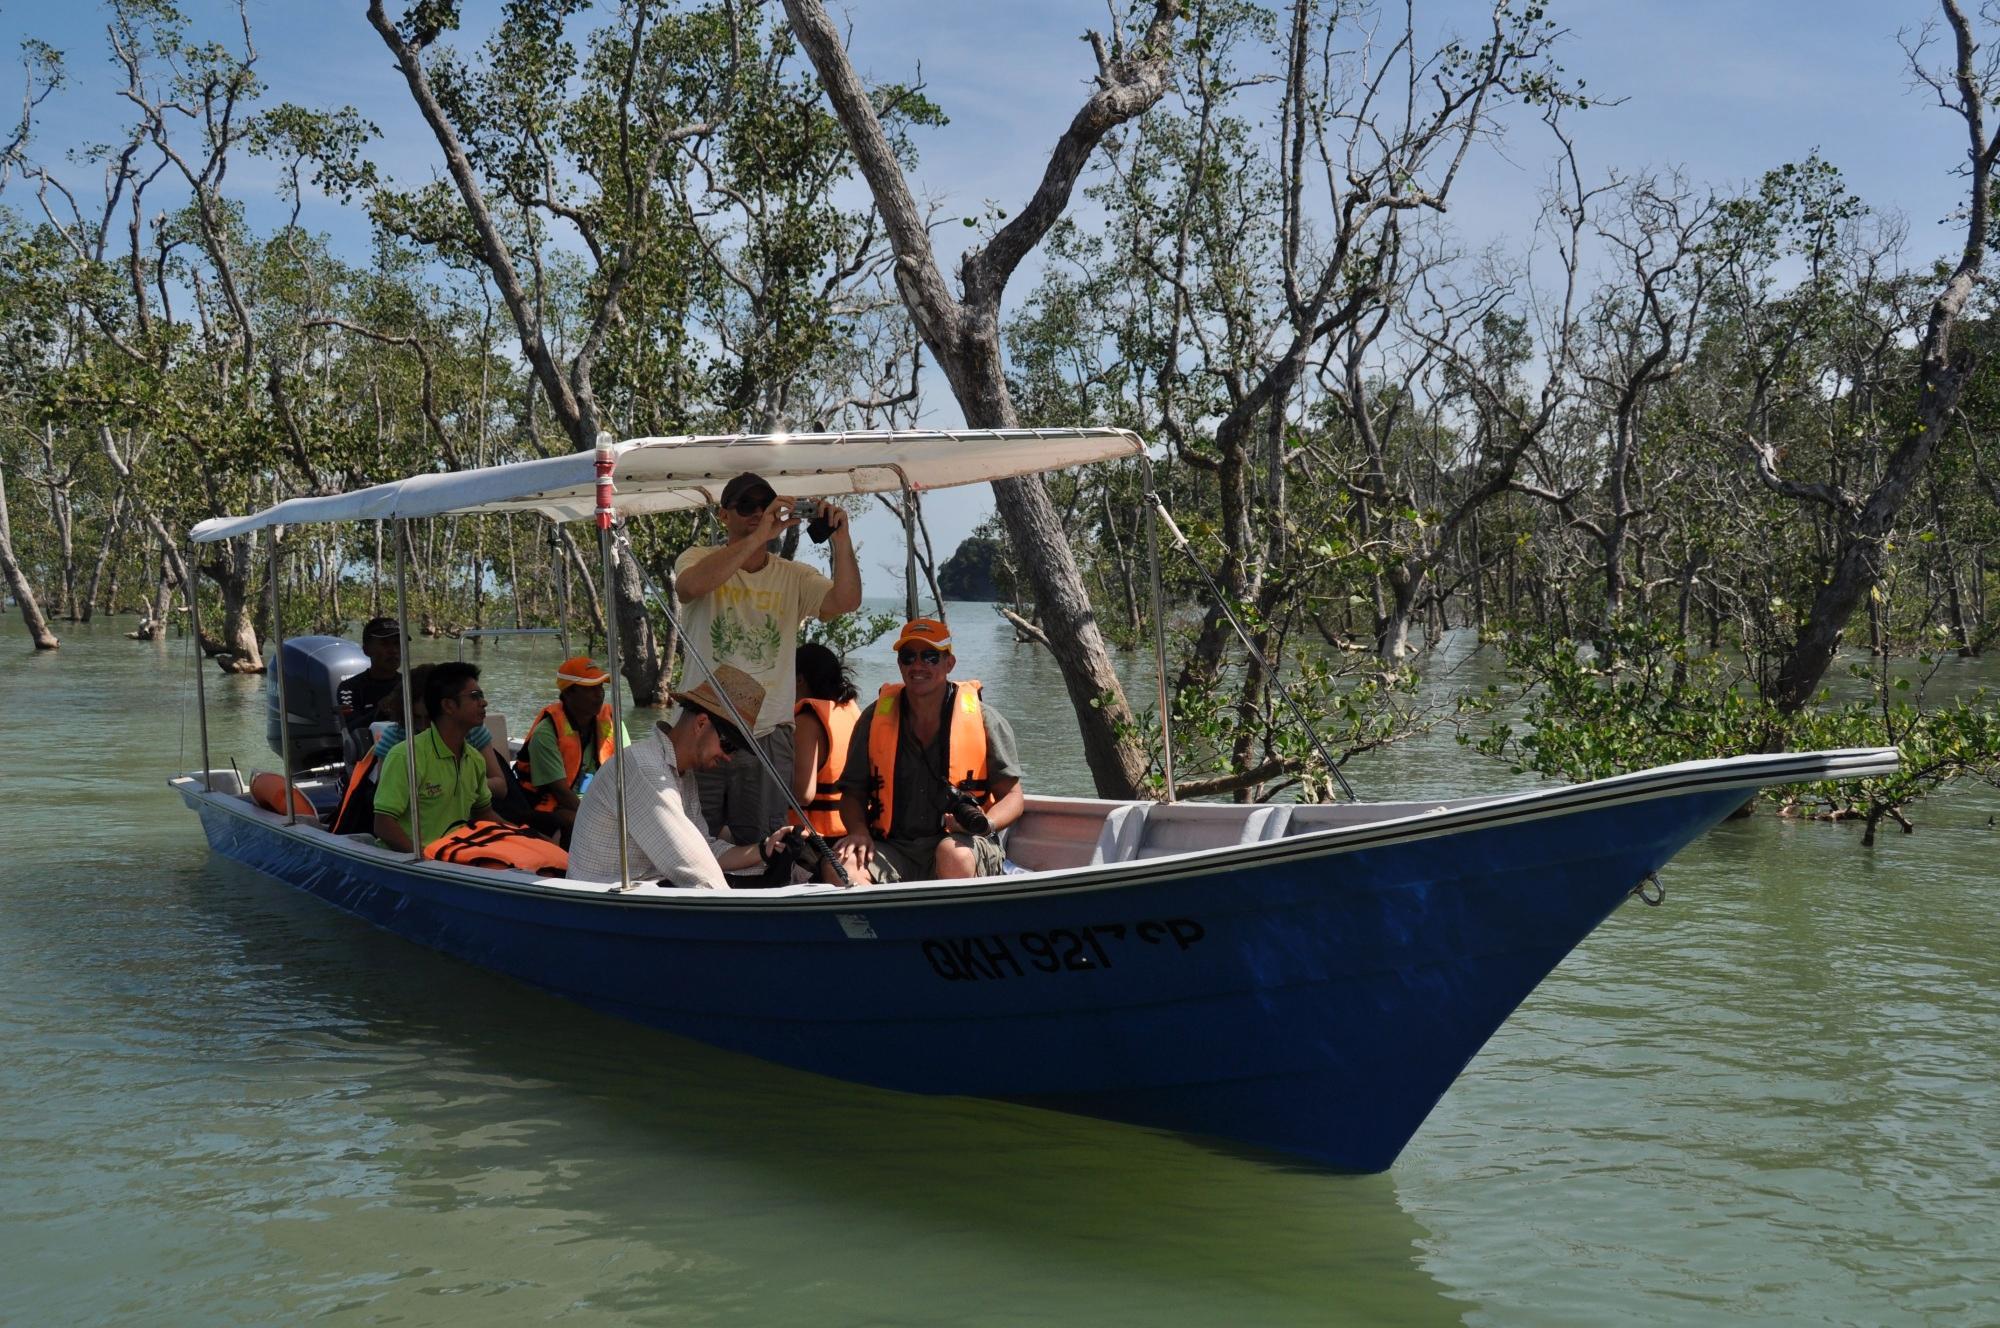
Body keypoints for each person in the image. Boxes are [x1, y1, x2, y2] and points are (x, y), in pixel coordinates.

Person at [673, 471, 861, 846]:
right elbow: (690, 587)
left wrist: (841, 540)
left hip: (768, 734)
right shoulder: (697, 558)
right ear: (723, 515)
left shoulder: (793, 576)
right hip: (702, 729)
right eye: (746, 506)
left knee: (765, 843)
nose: (757, 512)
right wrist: (760, 536)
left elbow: (846, 601)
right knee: (692, 841)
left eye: (765, 505)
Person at [567, 664, 799, 888]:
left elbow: (704, 851)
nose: (728, 758)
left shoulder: (682, 776)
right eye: (728, 745)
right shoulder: (646, 769)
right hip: (607, 903)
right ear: (701, 724)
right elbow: (695, 869)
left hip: (646, 892)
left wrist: (764, 849)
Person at [834, 617, 1026, 885]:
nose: (918, 665)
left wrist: (985, 824)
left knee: (951, 854)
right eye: (908, 656)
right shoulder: (873, 718)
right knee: (841, 866)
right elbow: (852, 794)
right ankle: (884, 925)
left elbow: (1013, 798)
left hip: (963, 843)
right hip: (893, 846)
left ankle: (950, 926)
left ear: (950, 663)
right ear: (900, 663)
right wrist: (857, 831)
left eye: (930, 657)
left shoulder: (985, 720)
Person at [372, 661, 509, 852]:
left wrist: (524, 837)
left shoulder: (474, 759)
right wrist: (425, 863)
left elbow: (484, 813)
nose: (484, 702)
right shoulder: (405, 755)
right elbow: (383, 825)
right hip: (415, 865)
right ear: (449, 705)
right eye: (475, 696)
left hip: (456, 858)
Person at [513, 656, 629, 842]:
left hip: (599, 802)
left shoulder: (612, 722)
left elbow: (628, 771)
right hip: (553, 805)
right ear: (568, 694)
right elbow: (561, 793)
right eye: (590, 688)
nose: (599, 694)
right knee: (573, 820)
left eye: (600, 687)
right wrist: (603, 819)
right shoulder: (546, 733)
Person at [789, 642, 861, 842]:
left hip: (815, 838)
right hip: (851, 830)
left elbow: (803, 794)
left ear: (799, 680)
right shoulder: (852, 711)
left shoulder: (807, 721)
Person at [335, 617, 403, 765]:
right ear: (366, 650)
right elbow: (351, 729)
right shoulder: (349, 688)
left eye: (397, 643)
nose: (393, 650)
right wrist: (381, 709)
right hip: (369, 764)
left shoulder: (411, 684)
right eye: (385, 644)